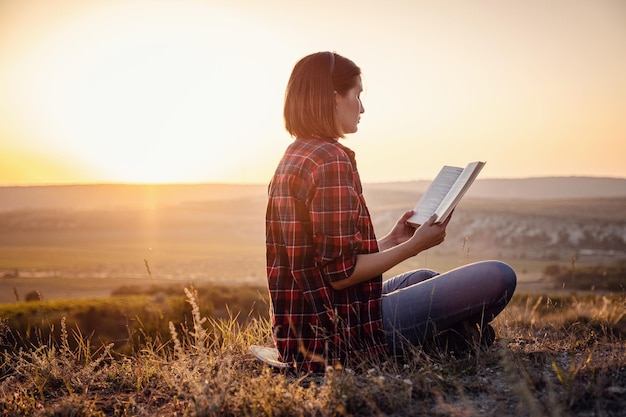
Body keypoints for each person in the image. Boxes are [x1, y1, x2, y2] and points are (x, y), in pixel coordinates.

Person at [265, 51, 516, 372]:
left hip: (301, 332)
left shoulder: (295, 155)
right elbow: (341, 276)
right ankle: (452, 338)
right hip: (335, 338)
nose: (362, 107)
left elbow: (327, 260)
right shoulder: (331, 159)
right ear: (333, 98)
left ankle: (452, 338)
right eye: (357, 95)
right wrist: (414, 246)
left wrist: (395, 238)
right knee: (499, 275)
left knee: (423, 277)